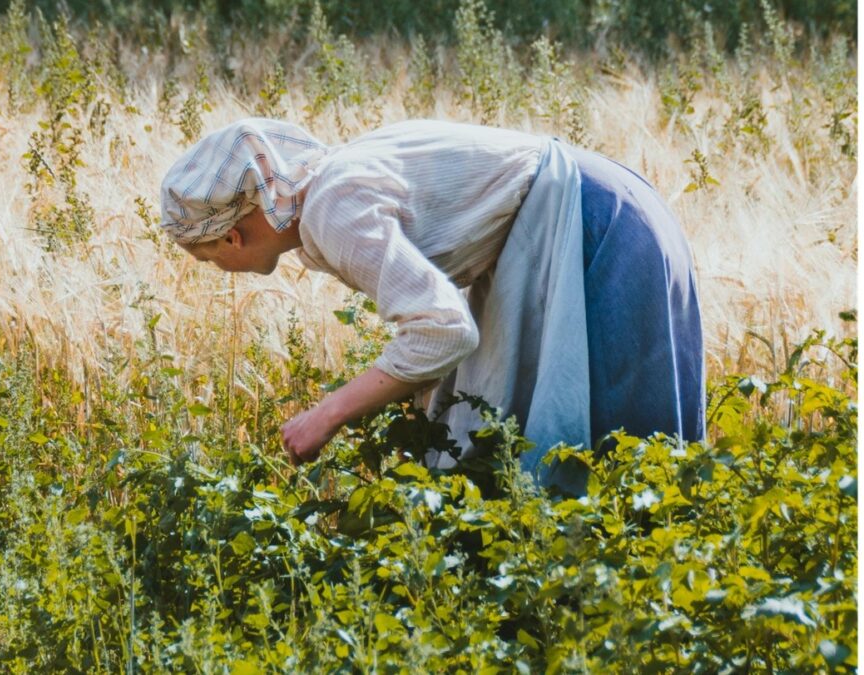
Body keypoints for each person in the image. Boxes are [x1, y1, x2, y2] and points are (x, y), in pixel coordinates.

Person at [158, 117, 705, 495]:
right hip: (608, 203)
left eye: (207, 258)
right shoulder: (332, 188)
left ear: (230, 238)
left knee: (624, 458)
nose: (217, 269)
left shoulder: (332, 209)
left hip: (597, 228)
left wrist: (327, 415)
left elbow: (444, 331)